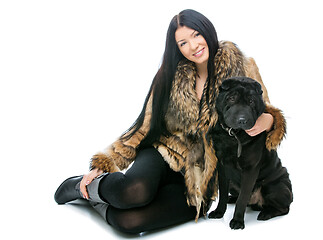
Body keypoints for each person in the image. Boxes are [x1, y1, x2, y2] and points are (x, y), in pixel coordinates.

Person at [54, 9, 286, 234]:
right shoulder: (169, 75)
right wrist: (102, 164)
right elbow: (142, 127)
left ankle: (92, 200)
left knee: (129, 222)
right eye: (183, 42)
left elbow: (262, 109)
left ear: (207, 31)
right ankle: (81, 186)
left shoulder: (243, 66)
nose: (193, 46)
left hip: (199, 178)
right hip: (163, 155)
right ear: (177, 48)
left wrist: (270, 120)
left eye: (196, 35)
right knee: (133, 193)